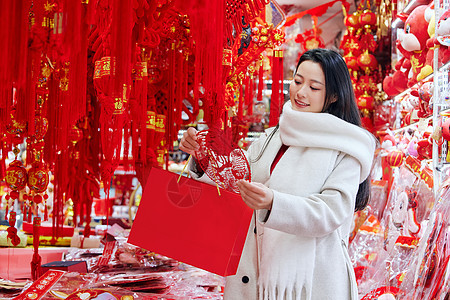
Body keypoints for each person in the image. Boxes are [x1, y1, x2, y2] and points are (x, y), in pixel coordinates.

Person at [179, 48, 377, 300]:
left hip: (311, 283)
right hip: (254, 270)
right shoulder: (275, 135)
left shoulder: (347, 147)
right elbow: (236, 178)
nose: (301, 93)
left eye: (314, 87)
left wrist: (274, 203)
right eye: (297, 81)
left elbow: (331, 211)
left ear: (334, 95)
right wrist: (201, 156)